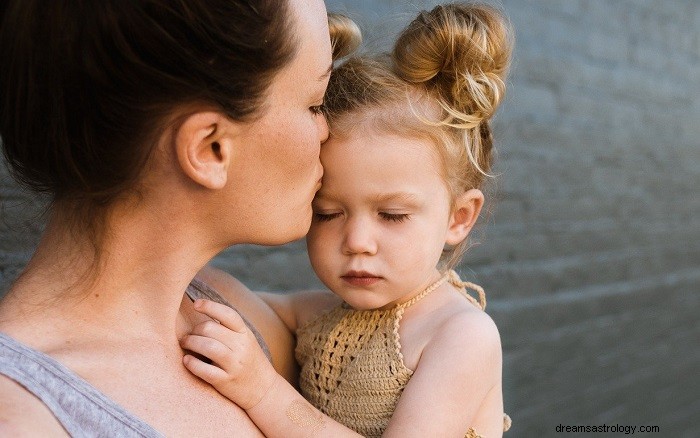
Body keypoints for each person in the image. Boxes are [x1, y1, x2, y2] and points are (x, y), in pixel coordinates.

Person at [0, 1, 359, 436]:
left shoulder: (230, 313)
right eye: (315, 104)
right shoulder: (24, 417)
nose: (330, 132)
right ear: (210, 148)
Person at [180, 3, 514, 437]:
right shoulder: (323, 315)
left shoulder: (460, 335)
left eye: (392, 216)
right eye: (328, 213)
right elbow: (246, 304)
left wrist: (262, 392)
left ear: (459, 217)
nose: (357, 240)